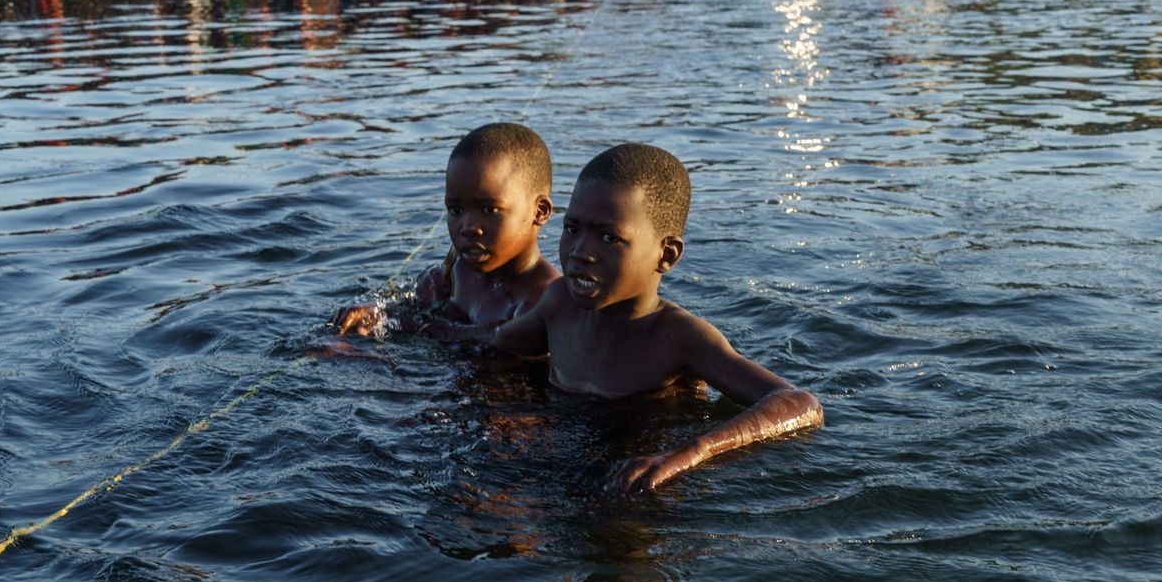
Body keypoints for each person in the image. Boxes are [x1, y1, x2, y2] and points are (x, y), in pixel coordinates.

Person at [471, 143, 823, 494]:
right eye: (573, 229)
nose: (580, 252)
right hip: (562, 453)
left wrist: (689, 454)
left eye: (609, 238)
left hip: (639, 472)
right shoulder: (560, 304)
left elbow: (801, 404)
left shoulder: (678, 338)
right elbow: (495, 344)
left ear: (666, 255)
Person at [331, 124, 560, 337]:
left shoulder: (545, 301)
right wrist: (380, 315)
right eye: (456, 209)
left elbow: (500, 354)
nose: (468, 227)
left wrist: (428, 330)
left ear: (539, 212)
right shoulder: (459, 268)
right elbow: (415, 309)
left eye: (489, 210)